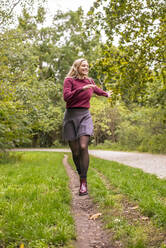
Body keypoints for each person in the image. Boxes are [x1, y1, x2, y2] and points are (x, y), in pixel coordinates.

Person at [63, 58, 112, 196]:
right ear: (77, 67)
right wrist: (81, 89)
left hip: (85, 115)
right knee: (76, 151)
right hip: (71, 117)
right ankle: (81, 173)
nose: (86, 68)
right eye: (83, 65)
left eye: (87, 66)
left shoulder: (90, 81)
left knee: (83, 146)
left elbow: (96, 89)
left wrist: (106, 94)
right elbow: (66, 97)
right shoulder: (69, 80)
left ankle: (83, 182)